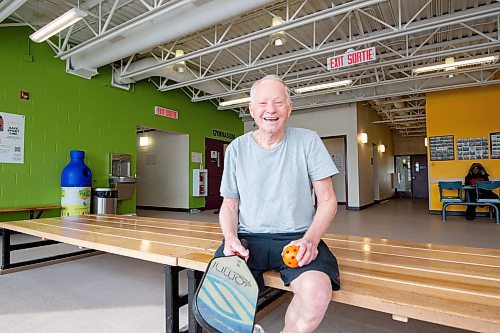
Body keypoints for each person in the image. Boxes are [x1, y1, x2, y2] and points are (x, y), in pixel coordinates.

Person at [215, 75, 340, 333]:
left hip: (298, 238)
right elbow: (229, 205)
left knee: (316, 294)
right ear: (251, 109)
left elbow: (327, 201)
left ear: (289, 108)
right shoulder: (236, 149)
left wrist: (311, 240)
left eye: (278, 102)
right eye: (262, 103)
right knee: (220, 295)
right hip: (248, 239)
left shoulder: (308, 141)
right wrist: (230, 238)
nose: (270, 110)